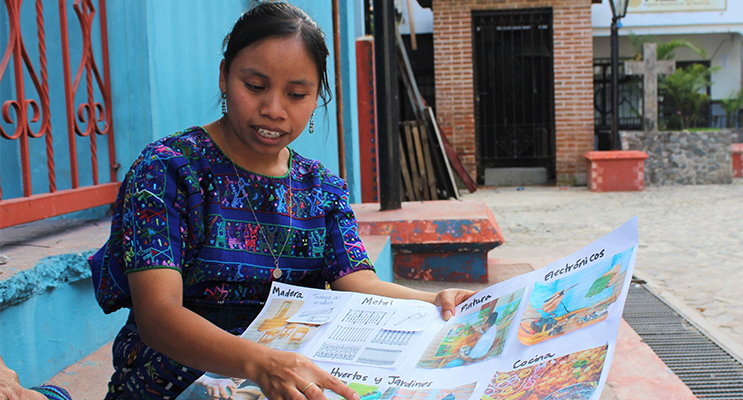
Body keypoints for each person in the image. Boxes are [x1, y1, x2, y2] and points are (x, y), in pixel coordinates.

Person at [87, 3, 475, 399]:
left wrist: (434, 301)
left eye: (296, 94)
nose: (274, 110)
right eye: (255, 87)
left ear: (315, 97)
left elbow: (356, 279)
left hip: (288, 372)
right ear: (224, 76)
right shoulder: (168, 171)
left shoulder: (322, 188)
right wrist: (259, 362)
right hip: (177, 379)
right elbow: (158, 316)